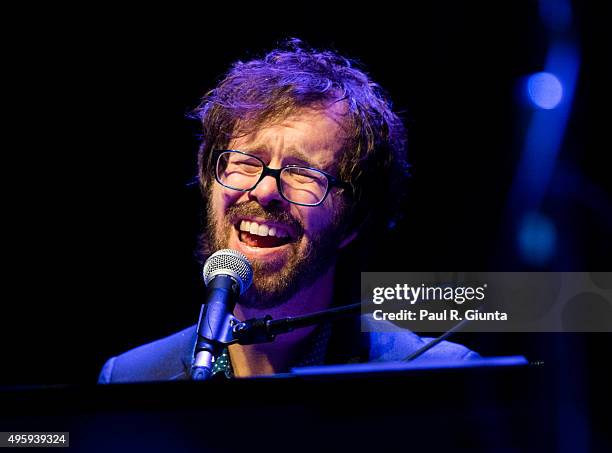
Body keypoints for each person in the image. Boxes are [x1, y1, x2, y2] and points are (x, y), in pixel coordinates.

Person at [98, 40, 479, 383]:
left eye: (302, 173)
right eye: (245, 161)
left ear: (354, 219)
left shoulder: (434, 378)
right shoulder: (131, 378)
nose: (264, 190)